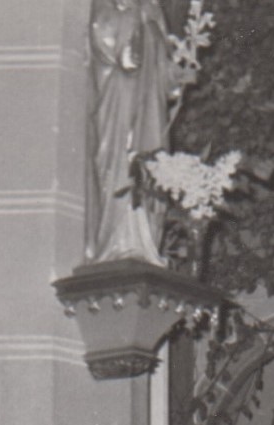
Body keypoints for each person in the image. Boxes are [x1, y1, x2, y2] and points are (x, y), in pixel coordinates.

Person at [86, 0, 176, 264]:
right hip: (120, 95)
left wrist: (175, 73)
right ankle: (117, 241)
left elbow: (167, 69)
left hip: (150, 107)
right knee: (118, 162)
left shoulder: (153, 7)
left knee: (151, 165)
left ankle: (148, 240)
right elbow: (101, 31)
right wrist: (126, 35)